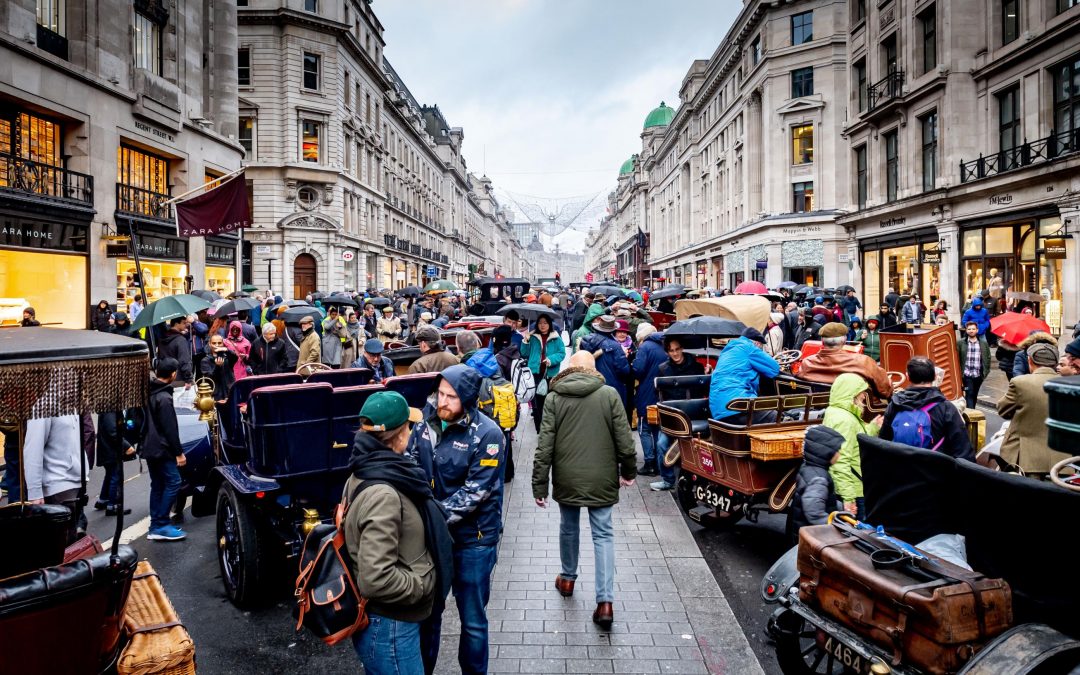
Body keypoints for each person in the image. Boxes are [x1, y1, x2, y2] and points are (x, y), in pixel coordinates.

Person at [410, 365, 504, 675]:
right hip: (434, 538)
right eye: (439, 394)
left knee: (473, 621)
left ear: (467, 398)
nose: (442, 402)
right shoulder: (424, 424)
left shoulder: (489, 434)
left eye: (451, 396)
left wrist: (427, 520)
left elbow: (474, 493)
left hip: (473, 541)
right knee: (428, 615)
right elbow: (411, 467)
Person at [532, 350, 636, 629]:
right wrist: (628, 471)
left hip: (567, 476)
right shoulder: (609, 394)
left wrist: (539, 484)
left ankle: (567, 579)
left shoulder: (554, 397)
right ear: (593, 369)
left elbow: (544, 446)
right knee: (603, 534)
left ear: (569, 369)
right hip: (602, 477)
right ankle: (605, 602)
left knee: (568, 526)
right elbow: (625, 440)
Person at [344, 391, 444, 675]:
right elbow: (376, 579)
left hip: (391, 626)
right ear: (399, 436)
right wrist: (422, 586)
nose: (412, 432)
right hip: (391, 628)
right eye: (409, 427)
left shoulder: (369, 468)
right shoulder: (384, 492)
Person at [879, 357, 974, 461]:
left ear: (908, 376)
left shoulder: (895, 405)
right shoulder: (946, 408)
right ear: (934, 376)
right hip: (934, 473)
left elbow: (883, 443)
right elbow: (963, 450)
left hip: (901, 472)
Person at [998, 343, 1066, 477]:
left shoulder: (1020, 382)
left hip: (1026, 457)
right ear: (1054, 363)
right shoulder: (1070, 384)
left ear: (1030, 360)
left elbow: (1003, 410)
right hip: (1062, 459)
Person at [822, 373, 882, 520]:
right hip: (854, 489)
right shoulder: (846, 420)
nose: (863, 396)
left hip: (847, 486)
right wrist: (849, 497)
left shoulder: (835, 412)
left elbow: (853, 440)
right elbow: (841, 461)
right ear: (851, 394)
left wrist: (873, 428)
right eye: (861, 393)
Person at [142, 357, 187, 541]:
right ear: (173, 374)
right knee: (173, 481)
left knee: (158, 484)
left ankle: (156, 524)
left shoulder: (149, 391)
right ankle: (160, 523)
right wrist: (179, 452)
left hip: (149, 445)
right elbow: (170, 429)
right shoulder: (164, 397)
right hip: (162, 447)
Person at [800, 322, 893, 399]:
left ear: (822, 341)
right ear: (844, 341)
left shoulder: (807, 363)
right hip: (861, 411)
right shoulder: (863, 361)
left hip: (820, 407)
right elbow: (884, 390)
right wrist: (889, 382)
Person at [785, 425, 844, 545]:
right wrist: (833, 527)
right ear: (825, 452)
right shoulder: (819, 479)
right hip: (812, 537)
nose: (839, 453)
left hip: (800, 530)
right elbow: (814, 513)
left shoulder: (809, 467)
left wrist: (838, 507)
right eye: (837, 450)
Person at [708, 327, 780, 424]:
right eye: (761, 348)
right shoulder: (749, 348)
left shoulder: (728, 349)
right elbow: (774, 368)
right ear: (757, 343)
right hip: (737, 406)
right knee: (778, 417)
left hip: (718, 410)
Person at [632, 324, 667, 477]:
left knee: (644, 428)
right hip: (662, 393)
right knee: (657, 428)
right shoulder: (664, 344)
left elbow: (638, 371)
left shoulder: (645, 347)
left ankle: (649, 463)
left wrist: (631, 362)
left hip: (646, 392)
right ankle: (660, 464)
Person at [521, 314, 567, 431]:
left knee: (549, 401)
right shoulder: (532, 336)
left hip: (550, 374)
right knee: (537, 403)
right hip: (535, 374)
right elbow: (525, 353)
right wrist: (525, 341)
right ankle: (540, 428)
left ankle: (550, 426)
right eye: (540, 322)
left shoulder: (556, 338)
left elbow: (562, 353)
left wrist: (551, 359)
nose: (542, 325)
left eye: (545, 323)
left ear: (549, 324)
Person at [578, 315, 632, 409]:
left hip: (587, 385)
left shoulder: (585, 341)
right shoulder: (615, 346)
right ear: (613, 330)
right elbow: (624, 370)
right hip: (610, 388)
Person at [94, 411, 133, 516]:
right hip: (110, 449)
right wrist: (126, 446)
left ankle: (103, 500)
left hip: (107, 449)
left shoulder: (109, 407)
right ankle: (113, 506)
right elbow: (112, 431)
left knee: (110, 474)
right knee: (115, 475)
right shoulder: (110, 410)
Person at [957, 321, 991, 409]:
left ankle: (970, 412)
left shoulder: (983, 343)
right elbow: (957, 357)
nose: (971, 331)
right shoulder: (960, 343)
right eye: (969, 329)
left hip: (978, 375)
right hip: (966, 374)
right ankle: (971, 415)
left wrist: (986, 372)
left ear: (977, 330)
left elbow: (988, 357)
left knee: (974, 394)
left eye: (973, 329)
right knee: (969, 393)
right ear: (966, 330)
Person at [157, 316, 194, 389]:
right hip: (179, 379)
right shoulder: (180, 340)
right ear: (176, 324)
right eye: (184, 323)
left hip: (164, 378)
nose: (185, 325)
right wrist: (188, 379)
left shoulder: (162, 338)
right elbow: (184, 360)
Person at [201, 334, 239, 401]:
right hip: (216, 394)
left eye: (219, 343)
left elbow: (235, 357)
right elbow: (209, 378)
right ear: (210, 344)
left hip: (229, 391)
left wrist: (226, 350)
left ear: (223, 344)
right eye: (214, 343)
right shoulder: (205, 360)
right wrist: (218, 367)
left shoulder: (227, 357)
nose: (217, 345)